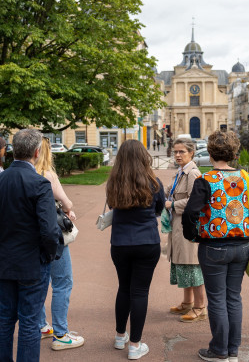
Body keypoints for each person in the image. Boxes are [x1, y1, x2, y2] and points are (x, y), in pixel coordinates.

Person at [183, 130, 249, 362]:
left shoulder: (206, 180)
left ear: (210, 152)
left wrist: (192, 235)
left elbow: (191, 212)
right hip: (241, 246)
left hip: (214, 246)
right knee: (234, 297)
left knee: (217, 298)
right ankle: (232, 350)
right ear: (234, 152)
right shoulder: (247, 178)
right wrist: (247, 230)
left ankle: (219, 350)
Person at [0, 129, 62, 362]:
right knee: (30, 321)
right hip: (32, 261)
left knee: (6, 316)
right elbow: (49, 230)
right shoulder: (39, 183)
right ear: (37, 152)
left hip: (5, 258)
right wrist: (49, 255)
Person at [106, 139, 166, 360]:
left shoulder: (114, 183)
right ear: (144, 157)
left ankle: (120, 336)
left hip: (120, 243)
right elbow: (160, 207)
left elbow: (112, 206)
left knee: (123, 288)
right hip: (147, 241)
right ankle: (135, 345)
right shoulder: (153, 182)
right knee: (140, 292)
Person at [34, 138, 85, 350]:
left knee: (38, 283)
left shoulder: (25, 175)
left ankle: (41, 326)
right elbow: (67, 202)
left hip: (30, 236)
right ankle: (61, 334)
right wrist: (68, 209)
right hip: (52, 237)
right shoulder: (48, 174)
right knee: (62, 282)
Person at [165, 138, 206, 322]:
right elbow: (170, 190)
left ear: (191, 153)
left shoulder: (193, 174)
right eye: (175, 152)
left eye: (181, 152)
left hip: (187, 225)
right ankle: (187, 302)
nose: (177, 155)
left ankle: (200, 307)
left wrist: (172, 204)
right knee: (183, 263)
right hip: (178, 224)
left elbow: (193, 201)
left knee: (192, 265)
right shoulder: (181, 172)